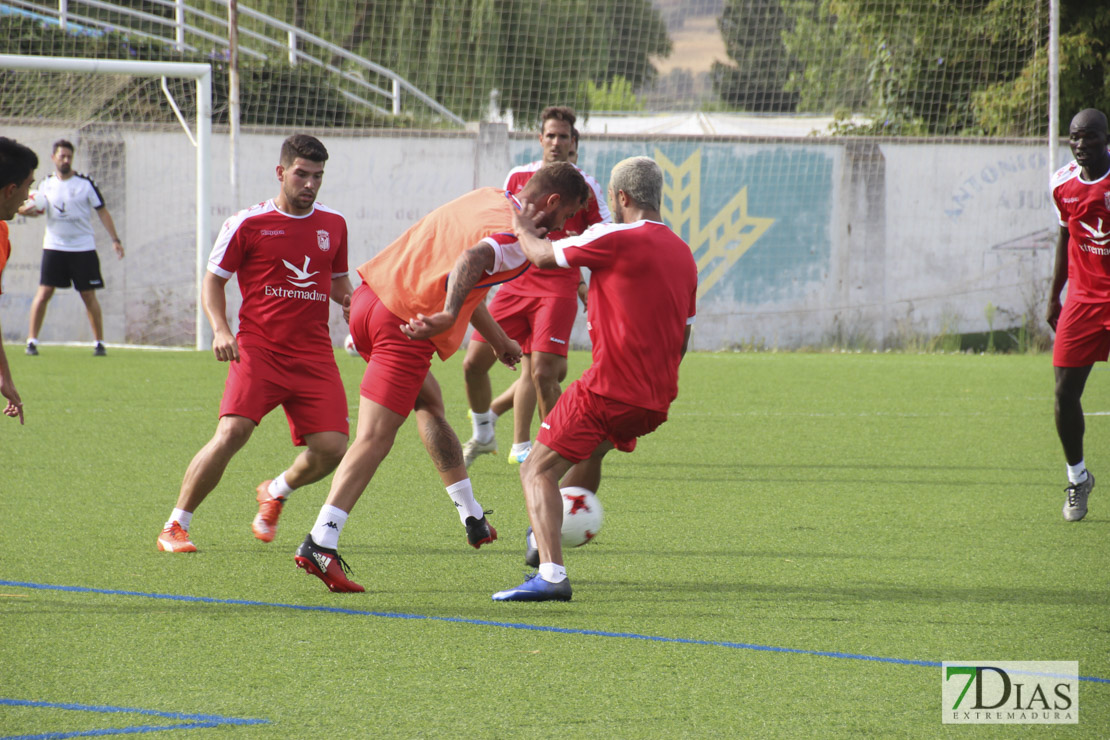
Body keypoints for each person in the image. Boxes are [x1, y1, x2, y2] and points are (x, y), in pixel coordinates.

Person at [293, 162, 590, 593]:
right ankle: (321, 540)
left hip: (370, 299)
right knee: (374, 438)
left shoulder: (488, 197)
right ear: (551, 203)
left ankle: (471, 515)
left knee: (429, 403)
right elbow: (470, 262)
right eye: (567, 216)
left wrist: (499, 338)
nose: (564, 226)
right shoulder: (514, 240)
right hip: (407, 326)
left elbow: (463, 273)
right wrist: (449, 314)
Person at [491, 156, 698, 602]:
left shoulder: (615, 236)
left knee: (535, 469)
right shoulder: (684, 253)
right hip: (654, 402)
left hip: (607, 389)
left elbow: (544, 257)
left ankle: (550, 573)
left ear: (621, 198)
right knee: (592, 451)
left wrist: (521, 224)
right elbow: (683, 336)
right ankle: (544, 535)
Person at [157, 134, 353, 553]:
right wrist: (221, 328)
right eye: (301, 174)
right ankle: (175, 524)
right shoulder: (247, 223)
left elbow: (338, 282)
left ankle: (276, 490)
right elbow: (213, 280)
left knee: (333, 448)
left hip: (314, 352)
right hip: (259, 348)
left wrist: (354, 305)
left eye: (318, 176)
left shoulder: (333, 224)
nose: (310, 184)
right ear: (281, 173)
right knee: (232, 431)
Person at [461, 106, 608, 468]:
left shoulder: (585, 186)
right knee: (473, 364)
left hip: (558, 284)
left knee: (543, 372)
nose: (556, 142)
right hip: (516, 281)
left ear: (574, 143)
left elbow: (604, 235)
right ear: (540, 139)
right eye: (551, 135)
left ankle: (556, 452)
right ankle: (484, 430)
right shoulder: (519, 176)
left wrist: (585, 277)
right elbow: (503, 222)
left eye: (563, 136)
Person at [1047, 107, 1110, 523]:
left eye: (1088, 137)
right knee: (1064, 394)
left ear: (1106, 138)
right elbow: (1065, 234)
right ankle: (1077, 478)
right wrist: (1054, 295)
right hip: (1084, 301)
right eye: (1074, 137)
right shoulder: (1062, 183)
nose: (1081, 144)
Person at [20, 140, 124, 356]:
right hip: (54, 246)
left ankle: (99, 343)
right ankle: (31, 341)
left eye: (69, 156)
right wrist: (24, 211)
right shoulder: (45, 184)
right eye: (62, 156)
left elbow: (102, 211)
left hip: (82, 248)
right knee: (44, 292)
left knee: (88, 295)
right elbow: (29, 206)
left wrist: (115, 239)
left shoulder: (85, 183)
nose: (65, 160)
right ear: (53, 158)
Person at [0, 137, 39, 424]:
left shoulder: (2, 235)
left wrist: (4, 376)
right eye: (28, 185)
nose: (28, 195)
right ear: (11, 190)